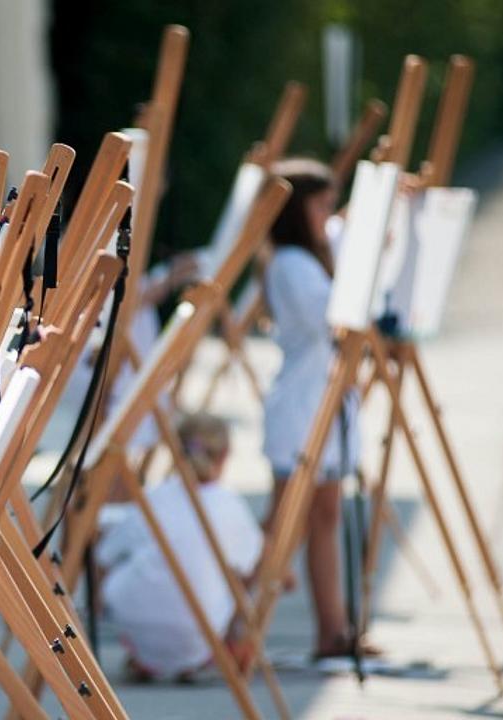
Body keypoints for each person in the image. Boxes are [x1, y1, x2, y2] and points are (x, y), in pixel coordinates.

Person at [255, 157, 364, 662]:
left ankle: (333, 631)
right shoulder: (291, 264)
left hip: (319, 405)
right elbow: (337, 317)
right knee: (282, 528)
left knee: (324, 517)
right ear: (299, 211)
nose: (329, 214)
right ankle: (235, 627)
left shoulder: (310, 256)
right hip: (300, 411)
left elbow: (346, 234)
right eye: (321, 205)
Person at [96, 412, 264, 681]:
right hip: (200, 630)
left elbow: (105, 553)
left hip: (138, 619)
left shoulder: (154, 497)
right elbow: (249, 567)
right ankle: (212, 648)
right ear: (224, 457)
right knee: (237, 577)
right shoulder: (230, 505)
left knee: (127, 566)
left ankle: (145, 652)